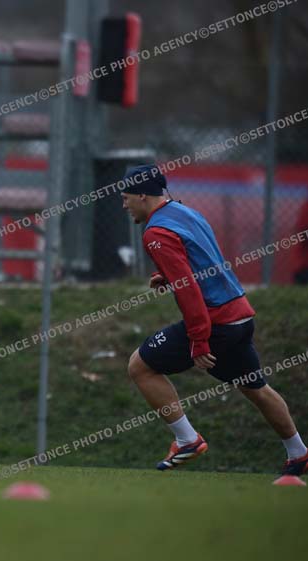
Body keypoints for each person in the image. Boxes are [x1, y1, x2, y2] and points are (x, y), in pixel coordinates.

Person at [121, 164, 307, 480]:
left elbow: (189, 291)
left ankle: (187, 440)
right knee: (257, 389)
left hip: (215, 322)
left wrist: (199, 340)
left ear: (142, 195)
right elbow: (202, 258)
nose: (124, 205)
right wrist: (168, 274)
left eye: (126, 198)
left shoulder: (155, 233)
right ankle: (299, 453)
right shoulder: (185, 212)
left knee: (140, 367)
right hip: (240, 316)